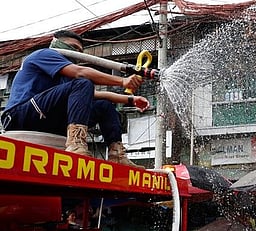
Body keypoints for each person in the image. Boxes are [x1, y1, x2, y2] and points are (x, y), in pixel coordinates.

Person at [1, 30, 150, 168]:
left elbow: (94, 95)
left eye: (80, 51)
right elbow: (81, 73)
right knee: (83, 82)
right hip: (20, 115)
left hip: (45, 117)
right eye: (73, 47)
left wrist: (131, 99)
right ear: (57, 43)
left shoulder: (66, 78)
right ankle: (76, 144)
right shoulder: (44, 54)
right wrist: (122, 81)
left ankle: (117, 155)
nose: (77, 53)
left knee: (104, 106)